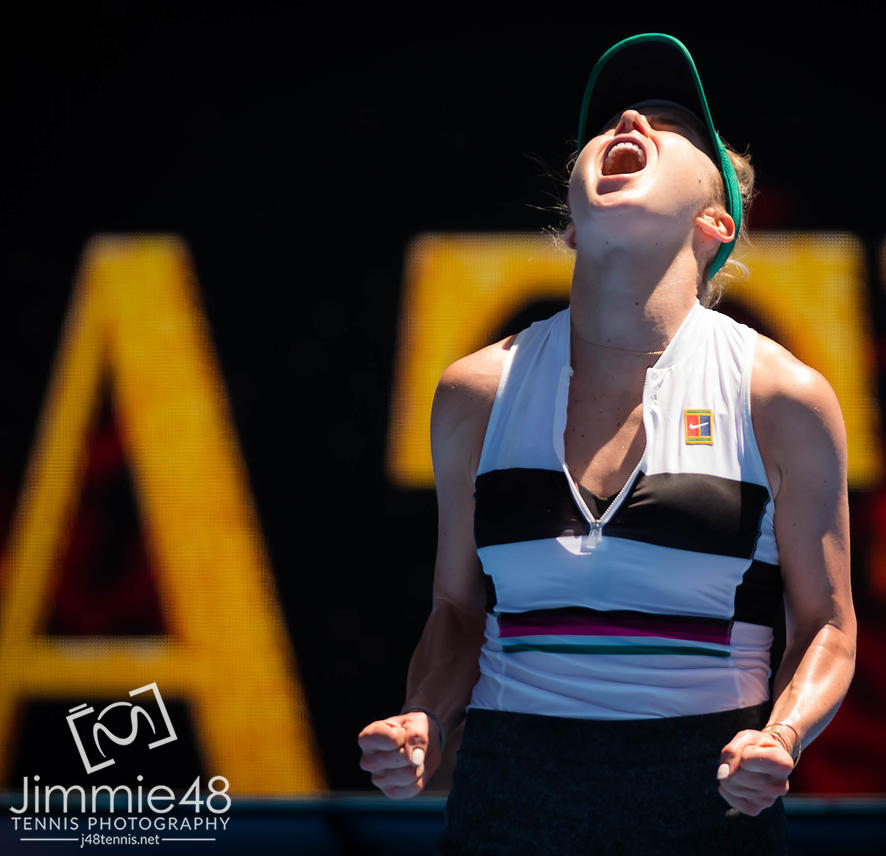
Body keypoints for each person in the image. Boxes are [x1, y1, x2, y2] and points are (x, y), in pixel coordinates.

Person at [358, 33, 856, 854]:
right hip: (504, 804)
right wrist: (425, 720)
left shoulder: (780, 397)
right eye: (613, 121)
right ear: (571, 227)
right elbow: (457, 611)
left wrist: (782, 736)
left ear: (715, 221)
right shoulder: (475, 393)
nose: (629, 121)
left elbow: (828, 625)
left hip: (704, 808)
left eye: (671, 126)